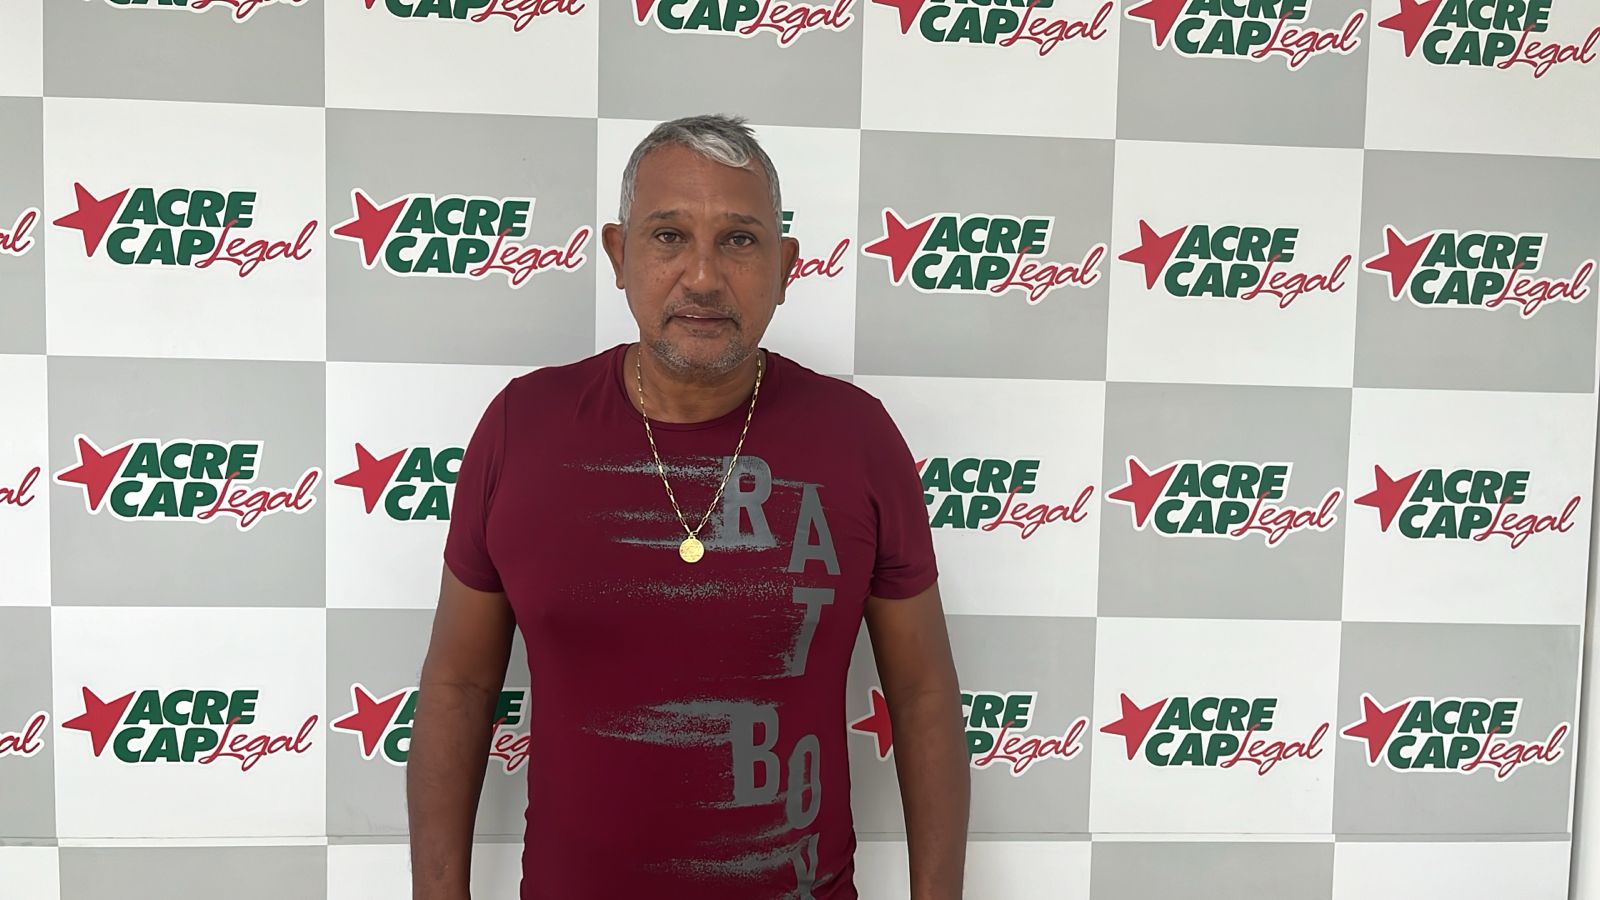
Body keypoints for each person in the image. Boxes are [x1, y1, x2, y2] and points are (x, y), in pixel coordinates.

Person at [406, 113, 970, 900]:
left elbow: (923, 696)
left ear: (786, 268)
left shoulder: (857, 438)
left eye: (739, 240)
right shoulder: (521, 428)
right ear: (619, 255)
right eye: (668, 236)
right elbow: (459, 689)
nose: (702, 277)